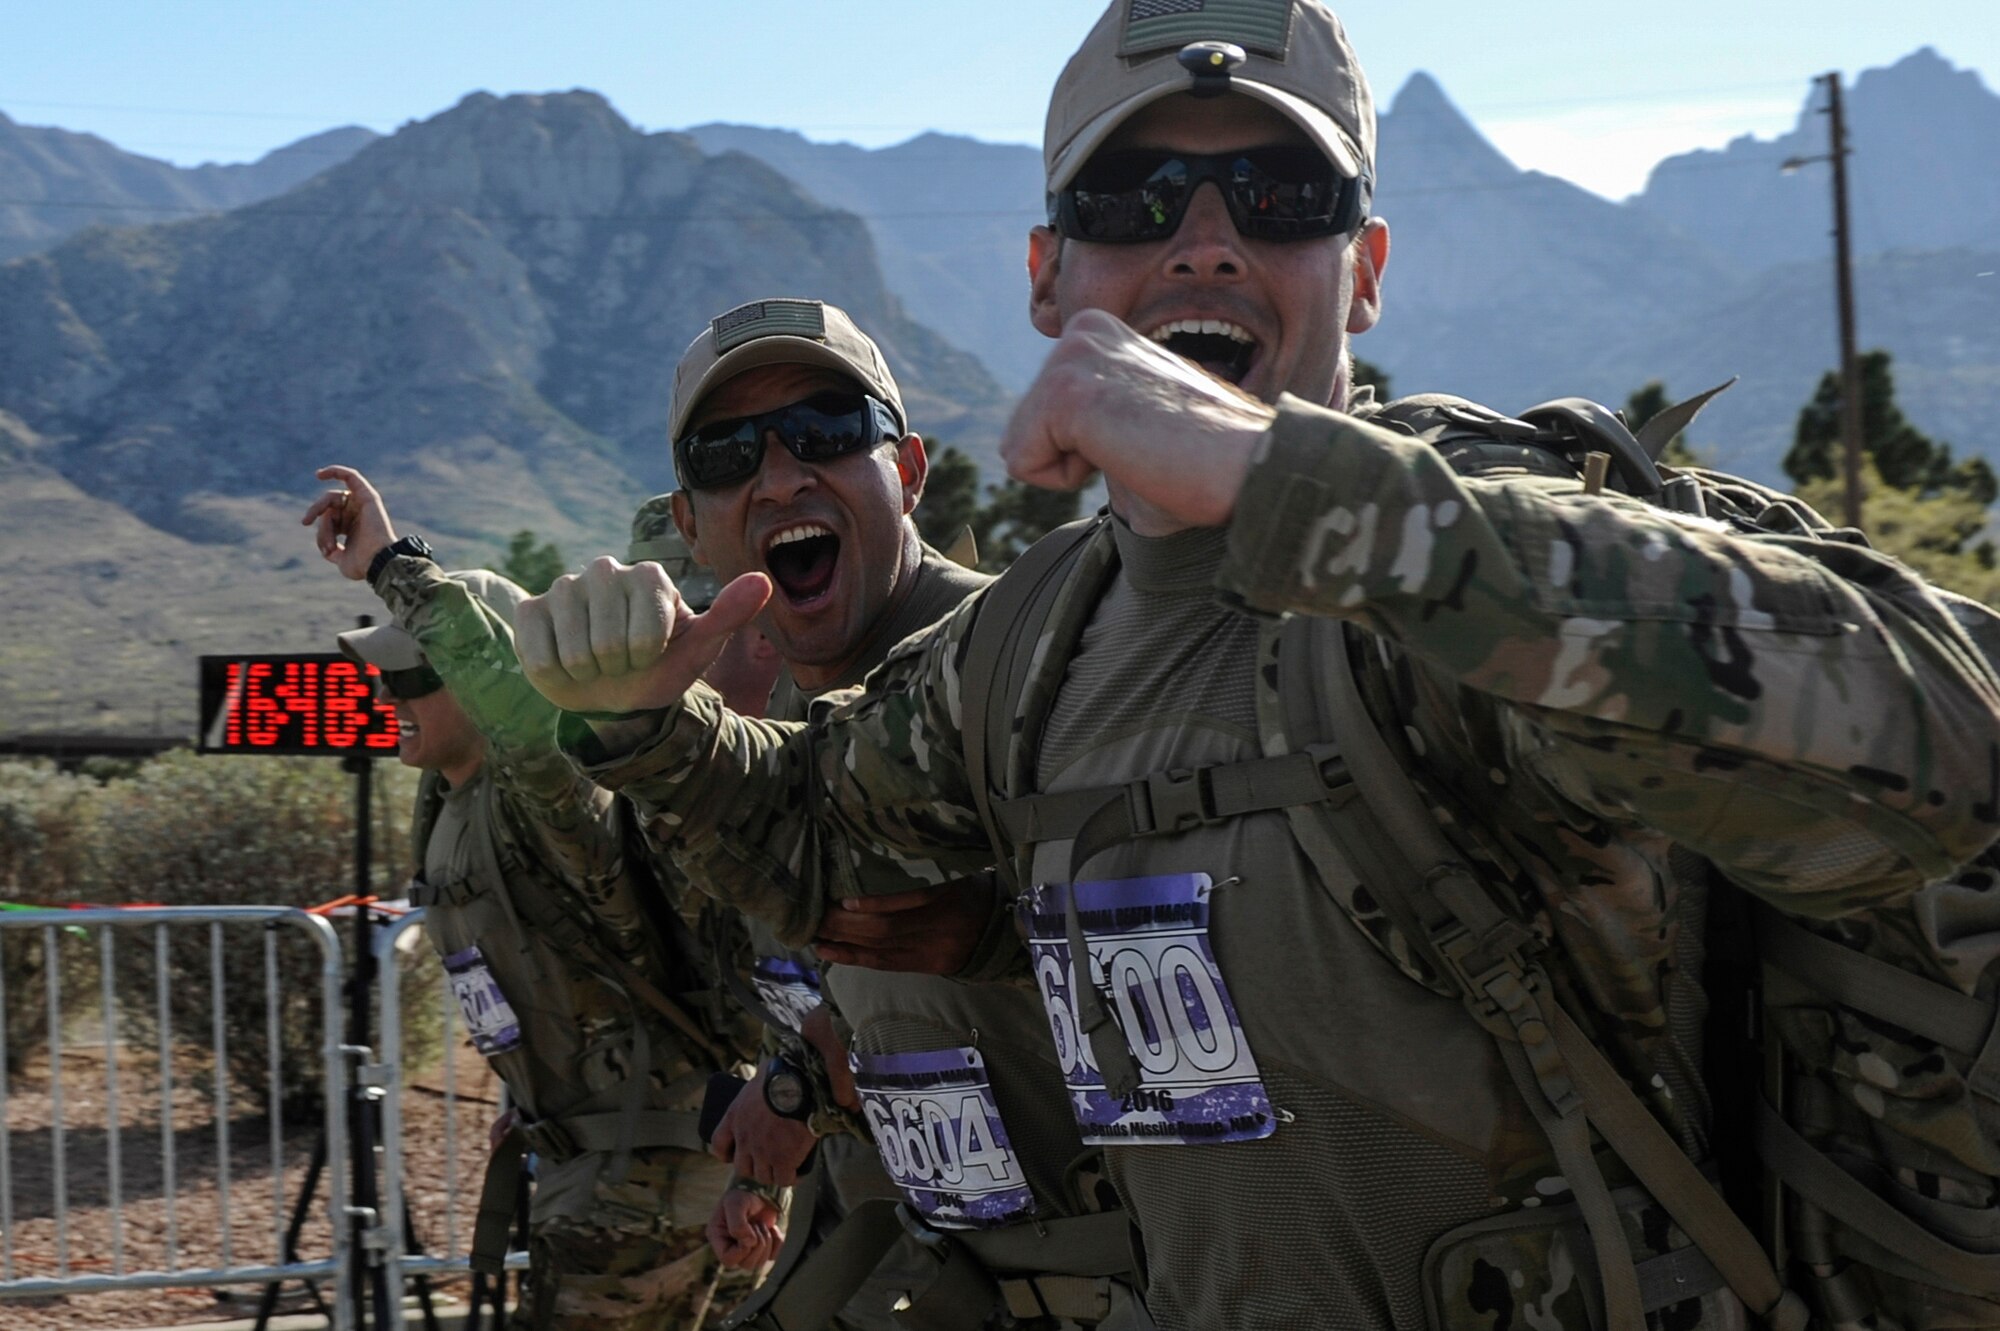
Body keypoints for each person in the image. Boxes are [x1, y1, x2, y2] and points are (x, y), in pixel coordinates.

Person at [516, 5, 2000, 1329]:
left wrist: (1298, 488)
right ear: (1049, 276)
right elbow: (829, 852)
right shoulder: (1027, 649)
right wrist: (659, 729)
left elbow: (1943, 743)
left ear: (1363, 271)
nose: (1206, 236)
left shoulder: (1469, 548)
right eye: (1133, 195)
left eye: (1283, 195)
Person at [659, 299, 1146, 1330]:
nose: (782, 474)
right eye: (727, 452)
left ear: (910, 470)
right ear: (688, 523)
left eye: (830, 431)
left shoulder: (1029, 660)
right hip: (935, 1264)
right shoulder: (778, 725)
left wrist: (802, 1082)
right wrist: (791, 1131)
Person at [303, 470, 744, 1330]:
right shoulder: (456, 801)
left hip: (646, 1177)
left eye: (411, 677)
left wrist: (394, 562)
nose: (388, 695)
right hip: (598, 1164)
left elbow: (517, 706)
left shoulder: (547, 790)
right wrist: (530, 1099)